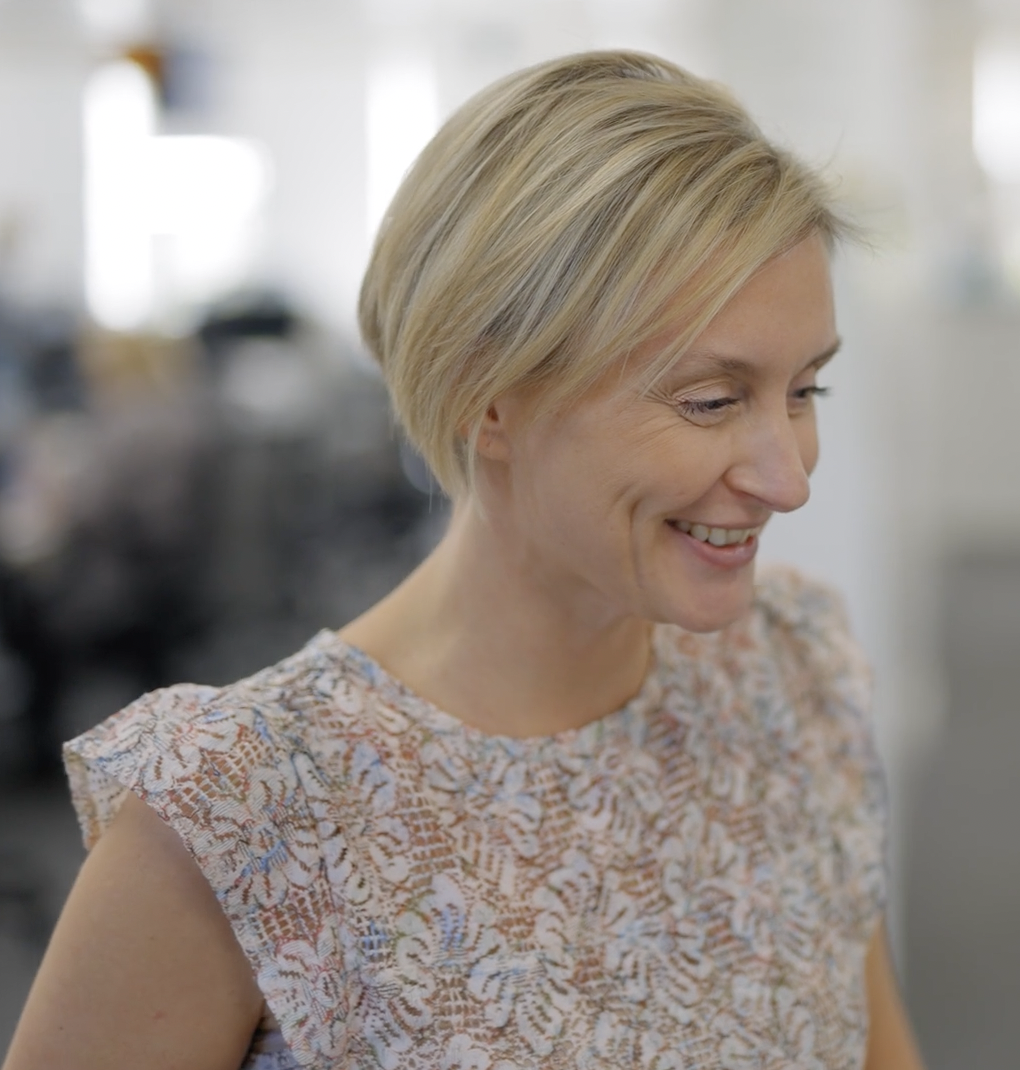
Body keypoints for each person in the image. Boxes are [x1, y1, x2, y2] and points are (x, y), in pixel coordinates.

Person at [2, 50, 925, 1070]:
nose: (788, 475)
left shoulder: (792, 669)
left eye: (805, 391)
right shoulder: (245, 813)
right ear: (490, 395)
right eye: (711, 399)